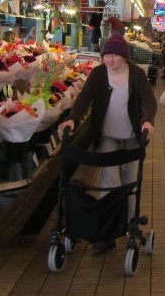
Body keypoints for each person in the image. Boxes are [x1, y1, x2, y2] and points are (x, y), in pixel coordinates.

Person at [58, 33, 157, 254]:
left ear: (124, 56)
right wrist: (72, 118)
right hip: (107, 137)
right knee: (109, 181)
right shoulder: (98, 74)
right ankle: (106, 230)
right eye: (106, 55)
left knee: (130, 182)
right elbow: (84, 98)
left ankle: (130, 222)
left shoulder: (137, 75)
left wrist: (148, 121)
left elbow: (149, 100)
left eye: (114, 55)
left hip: (132, 136)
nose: (109, 60)